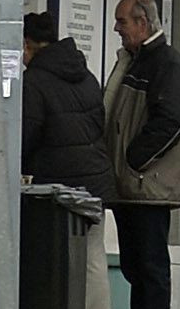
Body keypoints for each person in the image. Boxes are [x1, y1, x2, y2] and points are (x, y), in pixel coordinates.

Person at [96, 0, 180, 309]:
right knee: (137, 265)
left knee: (150, 265)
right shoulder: (137, 61)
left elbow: (171, 119)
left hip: (147, 184)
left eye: (122, 21)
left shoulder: (165, 62)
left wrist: (134, 159)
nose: (117, 28)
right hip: (131, 184)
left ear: (143, 23)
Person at [18, 12, 113, 190]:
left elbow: (25, 136)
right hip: (99, 181)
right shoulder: (86, 75)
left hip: (61, 185)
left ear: (25, 44)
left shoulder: (33, 81)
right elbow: (100, 122)